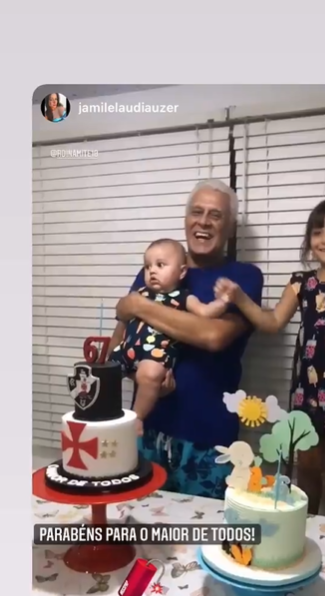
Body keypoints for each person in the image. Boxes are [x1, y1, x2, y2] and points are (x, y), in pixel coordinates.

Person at [109, 179, 264, 499]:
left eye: (215, 215)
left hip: (208, 440)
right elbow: (120, 344)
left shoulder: (242, 278)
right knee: (138, 521)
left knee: (203, 527)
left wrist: (139, 305)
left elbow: (213, 335)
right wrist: (140, 374)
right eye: (197, 212)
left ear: (230, 227)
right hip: (145, 431)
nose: (203, 222)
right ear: (186, 219)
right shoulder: (156, 270)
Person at [214, 199, 325, 520]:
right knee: (306, 463)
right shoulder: (302, 283)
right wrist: (239, 297)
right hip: (308, 388)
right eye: (317, 232)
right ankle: (302, 527)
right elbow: (271, 322)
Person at [109, 238, 227, 436]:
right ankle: (104, 413)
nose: (152, 271)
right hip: (126, 349)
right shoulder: (140, 293)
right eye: (148, 266)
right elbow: (122, 315)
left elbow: (205, 312)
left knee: (150, 376)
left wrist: (223, 301)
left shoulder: (183, 297)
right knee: (104, 373)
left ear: (182, 272)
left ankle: (137, 417)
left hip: (154, 354)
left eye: (160, 265)